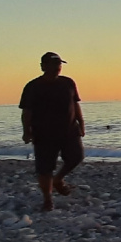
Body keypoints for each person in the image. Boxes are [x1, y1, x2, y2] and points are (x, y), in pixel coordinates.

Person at [19, 52, 85, 212]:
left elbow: (75, 105)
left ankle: (58, 179)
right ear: (43, 66)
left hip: (69, 130)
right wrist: (26, 131)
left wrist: (81, 123)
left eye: (59, 65)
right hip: (44, 133)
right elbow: (26, 112)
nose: (57, 68)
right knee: (44, 168)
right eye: (53, 64)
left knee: (77, 156)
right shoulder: (33, 86)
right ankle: (48, 200)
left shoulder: (68, 83)